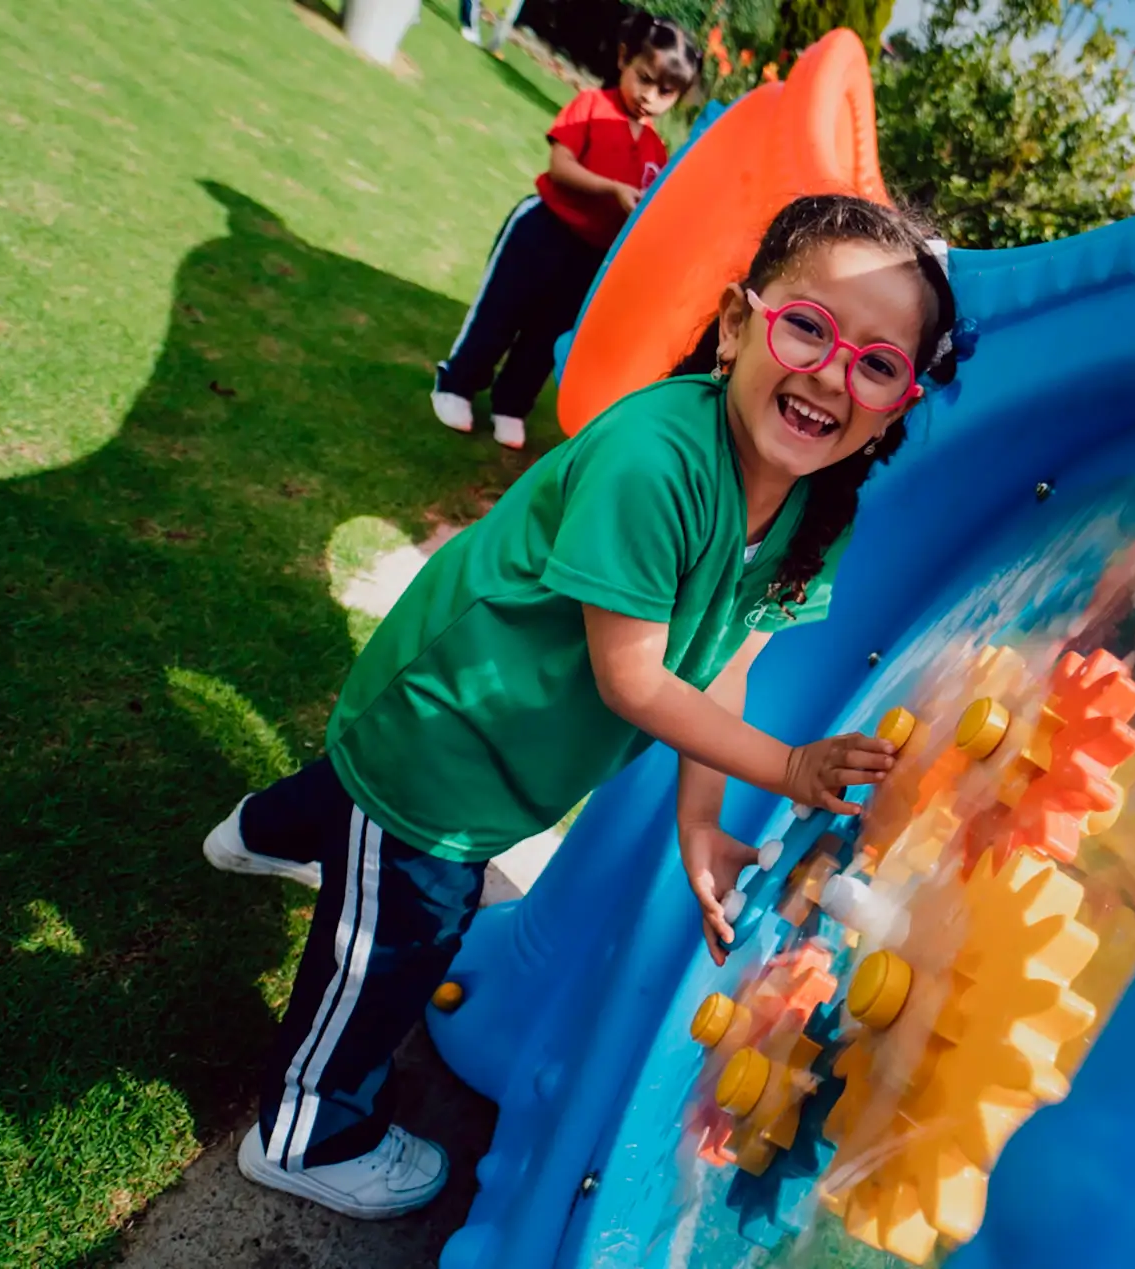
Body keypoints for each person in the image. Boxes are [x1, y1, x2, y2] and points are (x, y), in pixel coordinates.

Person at [202, 193, 963, 1219]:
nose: (833, 371)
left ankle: (260, 831)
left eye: (876, 362)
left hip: (508, 739)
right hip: (453, 727)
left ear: (898, 403)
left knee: (365, 821)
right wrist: (785, 769)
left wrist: (701, 827)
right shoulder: (659, 463)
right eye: (808, 327)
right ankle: (307, 1129)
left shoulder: (811, 502)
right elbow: (635, 681)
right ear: (739, 323)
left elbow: (722, 662)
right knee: (401, 934)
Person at [431, 14, 700, 450]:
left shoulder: (656, 151)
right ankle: (456, 384)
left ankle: (511, 405)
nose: (649, 95)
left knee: (547, 336)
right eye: (644, 79)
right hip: (541, 231)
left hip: (588, 256)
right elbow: (561, 167)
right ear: (623, 58)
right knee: (499, 314)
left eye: (665, 91)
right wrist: (610, 189)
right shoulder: (591, 106)